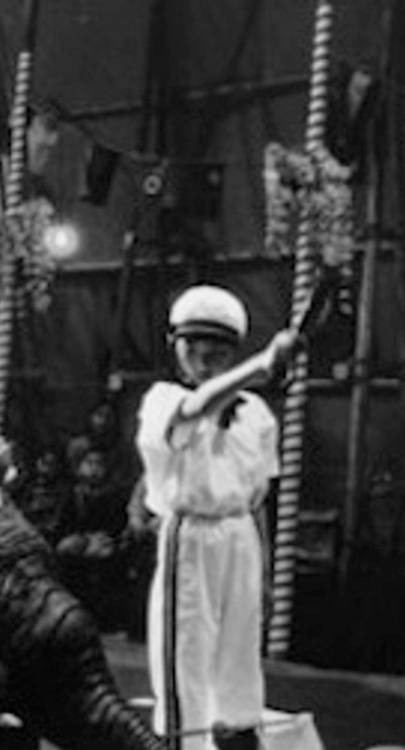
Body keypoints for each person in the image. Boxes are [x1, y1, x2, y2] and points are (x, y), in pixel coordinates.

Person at [135, 285, 297, 750]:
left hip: (240, 536)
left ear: (233, 352)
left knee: (239, 651)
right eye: (193, 349)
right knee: (187, 647)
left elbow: (258, 498)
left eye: (218, 352)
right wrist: (262, 366)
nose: (205, 362)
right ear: (176, 349)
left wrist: (262, 571)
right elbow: (198, 405)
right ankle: (184, 743)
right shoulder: (163, 400)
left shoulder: (257, 415)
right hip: (191, 534)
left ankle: (240, 733)